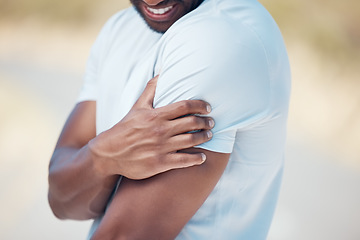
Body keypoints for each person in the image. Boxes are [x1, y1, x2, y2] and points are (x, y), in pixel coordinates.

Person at [48, 0, 291, 239]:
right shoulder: (120, 28)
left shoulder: (218, 37)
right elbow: (60, 199)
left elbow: (121, 235)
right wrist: (104, 155)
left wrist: (94, 164)